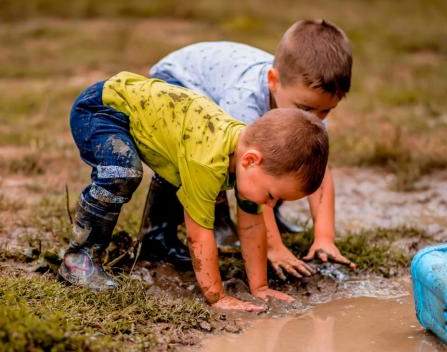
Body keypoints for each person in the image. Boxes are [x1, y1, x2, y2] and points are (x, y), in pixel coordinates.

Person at [58, 72, 328, 311]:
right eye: (272, 195)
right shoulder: (207, 161)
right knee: (123, 171)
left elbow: (251, 226)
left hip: (147, 119)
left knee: (177, 175)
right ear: (250, 160)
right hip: (103, 109)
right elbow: (199, 234)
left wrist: (260, 288)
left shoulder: (247, 158)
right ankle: (79, 257)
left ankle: (156, 243)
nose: (271, 203)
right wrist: (217, 296)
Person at [144, 19, 356, 277]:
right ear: (273, 81)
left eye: (326, 110)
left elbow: (318, 171)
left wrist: (324, 237)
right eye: (306, 109)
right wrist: (273, 247)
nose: (315, 118)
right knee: (202, 159)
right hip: (179, 82)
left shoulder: (307, 106)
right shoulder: (244, 100)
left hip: (215, 84)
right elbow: (252, 175)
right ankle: (158, 236)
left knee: (288, 158)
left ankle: (269, 217)